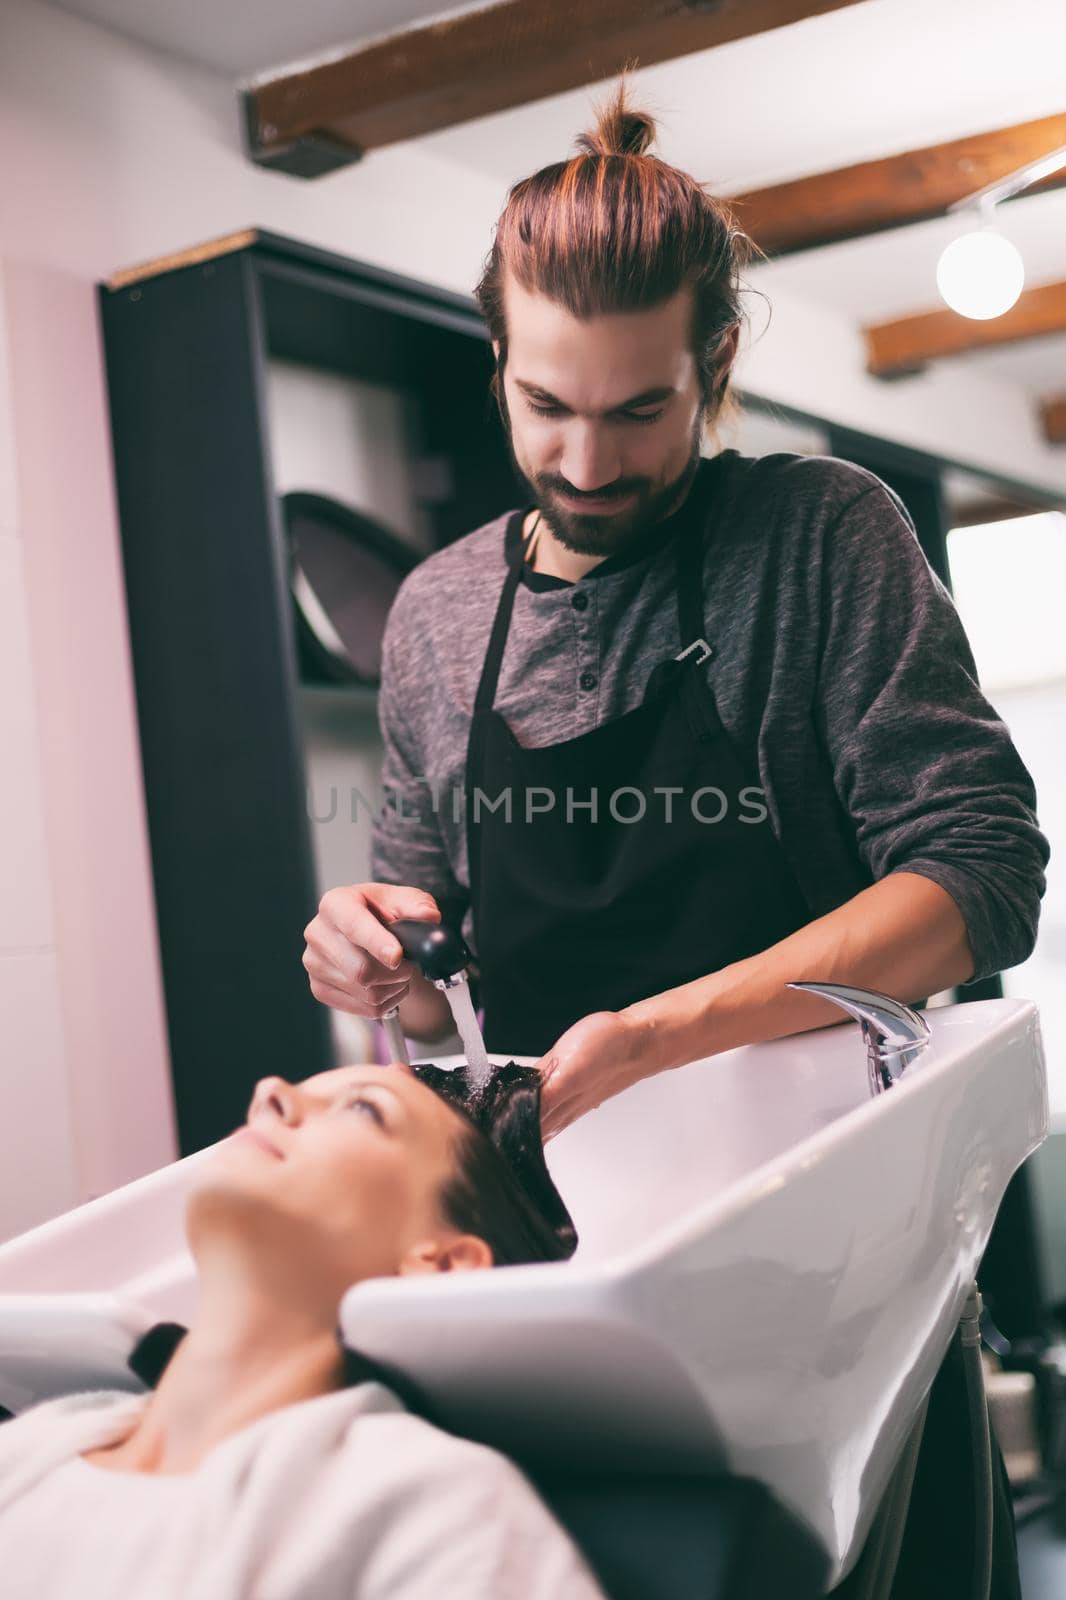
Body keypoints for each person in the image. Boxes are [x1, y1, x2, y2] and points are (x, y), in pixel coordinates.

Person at [301, 74, 1049, 1142]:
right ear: (499, 358)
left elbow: (980, 874)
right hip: (563, 1200)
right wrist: (368, 956)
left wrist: (658, 1037)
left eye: (639, 409)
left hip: (827, 1180)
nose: (588, 463)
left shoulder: (816, 536)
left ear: (716, 361)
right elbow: (431, 993)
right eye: (546, 406)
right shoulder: (436, 612)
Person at [0, 1061, 604, 1599]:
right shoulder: (31, 1450)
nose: (271, 1091)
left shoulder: (432, 1510)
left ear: (442, 1265)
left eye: (364, 1109)